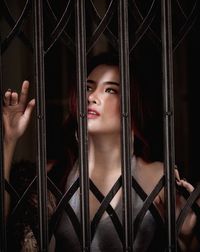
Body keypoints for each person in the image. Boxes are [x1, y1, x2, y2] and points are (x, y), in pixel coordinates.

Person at [2, 51, 200, 251]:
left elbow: (185, 243)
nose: (91, 96)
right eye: (88, 87)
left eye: (110, 90)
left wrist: (187, 233)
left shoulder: (158, 176)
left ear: (132, 106)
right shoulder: (54, 175)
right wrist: (9, 140)